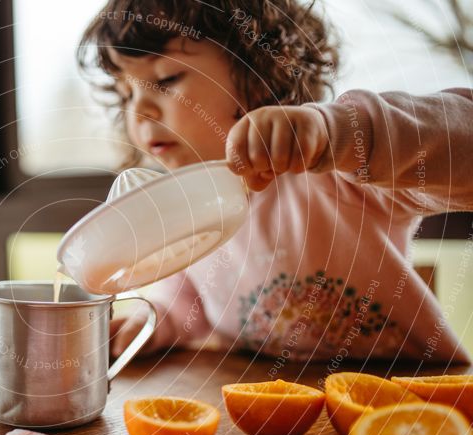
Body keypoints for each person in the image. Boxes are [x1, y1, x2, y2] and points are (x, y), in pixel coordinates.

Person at [77, 0, 473, 364]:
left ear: (259, 73)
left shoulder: (338, 171)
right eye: (125, 93)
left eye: (165, 80)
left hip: (414, 406)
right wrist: (158, 321)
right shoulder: (191, 207)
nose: (139, 112)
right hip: (275, 414)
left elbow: (462, 144)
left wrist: (340, 134)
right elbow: (188, 295)